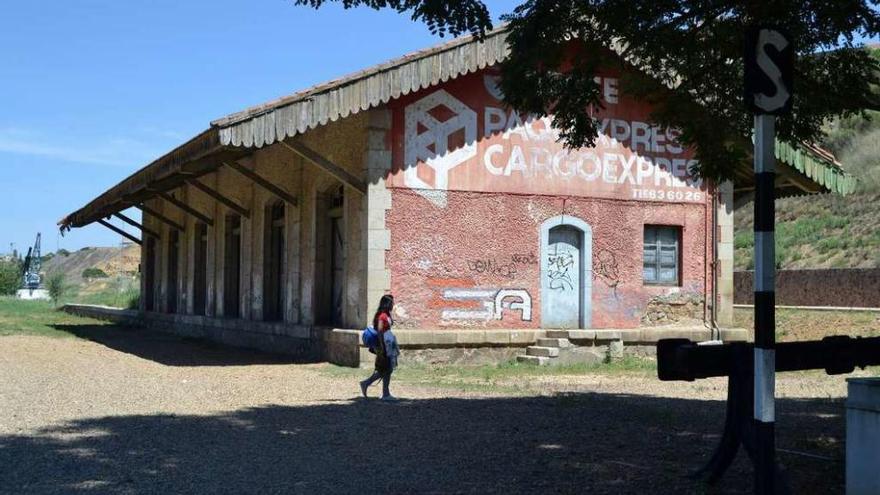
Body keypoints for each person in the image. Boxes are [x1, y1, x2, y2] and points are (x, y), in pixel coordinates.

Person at [360, 294, 399, 401]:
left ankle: (384, 392)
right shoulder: (382, 316)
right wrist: (382, 347)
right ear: (387, 304)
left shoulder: (386, 314)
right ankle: (369, 384)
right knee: (386, 368)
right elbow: (380, 331)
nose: (393, 305)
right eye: (391, 303)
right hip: (383, 344)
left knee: (387, 368)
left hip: (387, 343)